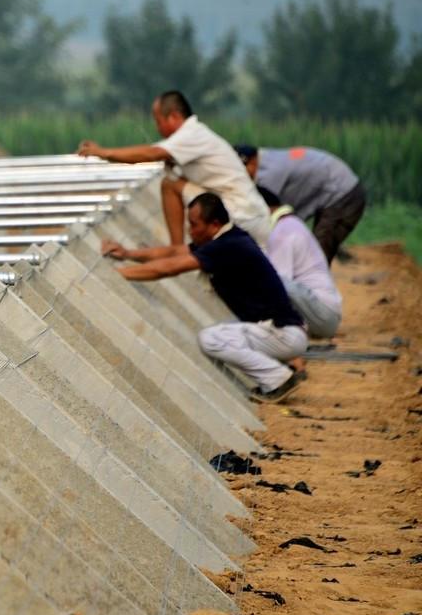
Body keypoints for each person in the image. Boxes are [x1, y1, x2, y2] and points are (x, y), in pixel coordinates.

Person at [100, 192, 306, 402]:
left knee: (211, 338)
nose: (190, 231)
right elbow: (173, 252)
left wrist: (115, 275)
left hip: (281, 333)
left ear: (214, 224)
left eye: (194, 224)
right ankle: (278, 371)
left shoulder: (228, 246)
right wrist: (128, 254)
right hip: (279, 331)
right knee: (220, 332)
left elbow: (170, 267)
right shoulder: (228, 238)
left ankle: (277, 379)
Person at [77, 90, 270, 247]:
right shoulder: (193, 135)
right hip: (248, 211)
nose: (158, 128)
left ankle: (176, 248)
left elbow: (150, 154)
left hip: (242, 212)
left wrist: (102, 152)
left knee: (169, 185)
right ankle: (179, 249)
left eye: (158, 121)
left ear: (174, 117)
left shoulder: (191, 135)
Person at [234, 144, 365, 263]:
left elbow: (266, 214)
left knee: (316, 257)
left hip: (343, 193)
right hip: (335, 187)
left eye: (242, 169)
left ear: (252, 161)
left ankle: (315, 288)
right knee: (314, 251)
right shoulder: (268, 158)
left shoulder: (270, 174)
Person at [257, 186, 342, 339]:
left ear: (263, 208)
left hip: (323, 316)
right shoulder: (291, 223)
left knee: (273, 281)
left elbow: (278, 286)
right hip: (326, 315)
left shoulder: (281, 233)